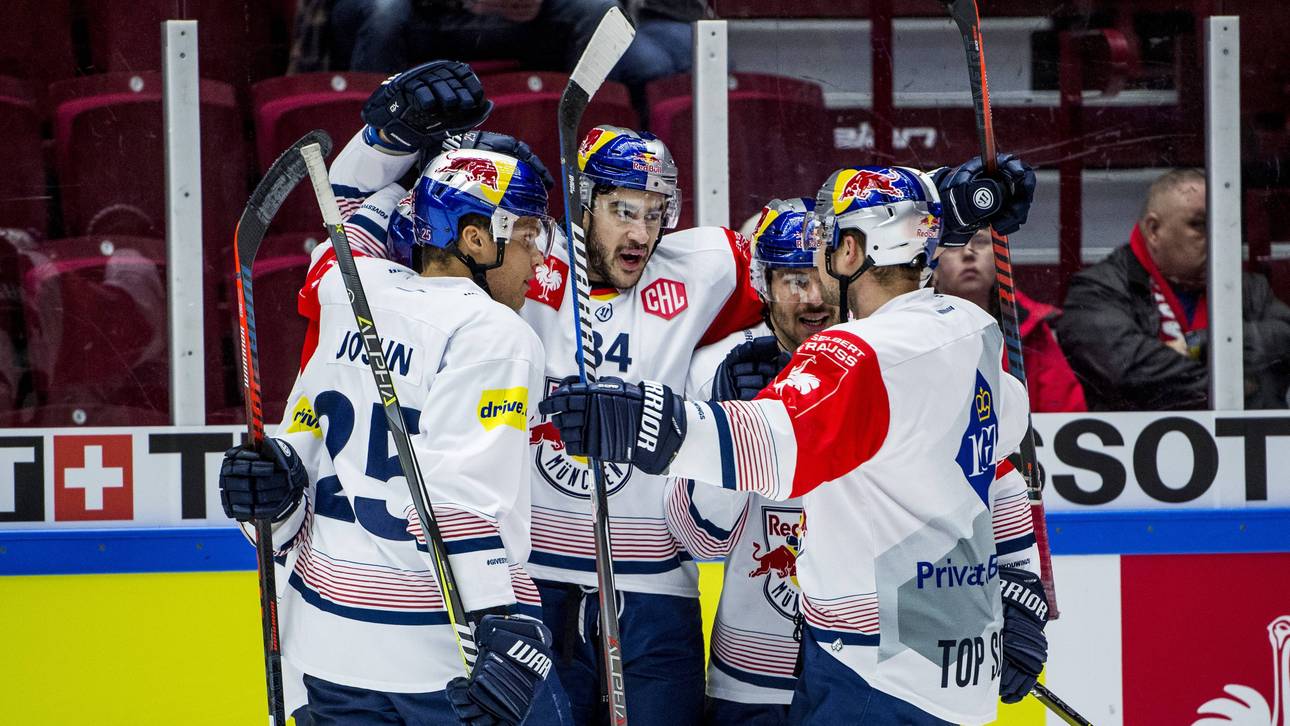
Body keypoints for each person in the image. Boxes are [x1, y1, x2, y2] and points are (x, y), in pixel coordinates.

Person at [540, 158, 1053, 724]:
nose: (815, 274)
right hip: (952, 662)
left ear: (852, 253)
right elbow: (991, 463)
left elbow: (770, 446)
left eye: (827, 244)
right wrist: (1019, 581)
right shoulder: (969, 330)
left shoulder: (860, 354)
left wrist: (638, 418)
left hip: (873, 671)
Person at [218, 143, 572, 724]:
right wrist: (504, 621)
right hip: (440, 657)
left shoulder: (349, 293)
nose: (538, 261)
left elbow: (286, 491)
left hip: (325, 648)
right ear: (478, 240)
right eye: (529, 237)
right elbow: (459, 502)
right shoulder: (495, 333)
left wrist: (263, 494)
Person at [521, 125, 766, 725]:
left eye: (656, 214)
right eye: (623, 210)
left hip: (656, 588)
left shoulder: (701, 268)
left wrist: (944, 208)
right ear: (585, 202)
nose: (641, 234)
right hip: (532, 585)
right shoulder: (523, 256)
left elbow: (817, 255)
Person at [1057, 168, 1290, 410]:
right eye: (1199, 224)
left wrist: (1198, 343)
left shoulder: (1248, 288)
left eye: (1224, 224)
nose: (1217, 236)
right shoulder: (1097, 289)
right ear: (1154, 230)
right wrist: (1238, 387)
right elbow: (1128, 371)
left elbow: (1284, 340)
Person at [932, 228, 1087, 412]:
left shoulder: (1029, 330)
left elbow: (1064, 414)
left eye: (980, 241)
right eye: (954, 244)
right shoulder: (913, 333)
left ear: (1000, 258)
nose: (968, 253)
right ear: (933, 267)